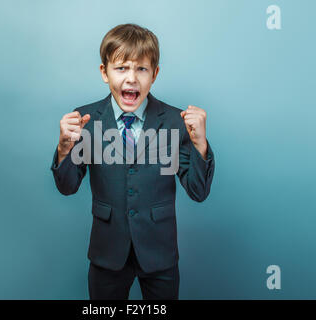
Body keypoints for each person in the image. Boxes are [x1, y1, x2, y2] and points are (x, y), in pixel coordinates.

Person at [50, 23, 215, 300]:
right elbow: (67, 187)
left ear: (155, 75)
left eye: (141, 69)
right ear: (104, 72)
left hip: (159, 254)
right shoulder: (86, 120)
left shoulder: (175, 122)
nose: (131, 79)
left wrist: (200, 144)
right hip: (107, 254)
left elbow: (198, 191)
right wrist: (64, 147)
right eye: (122, 68)